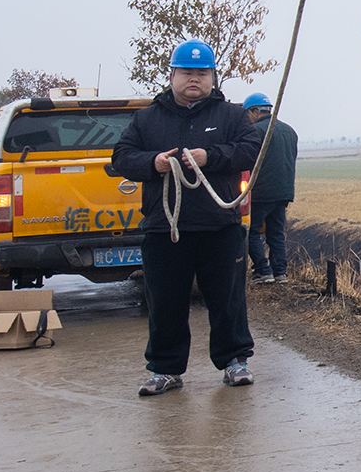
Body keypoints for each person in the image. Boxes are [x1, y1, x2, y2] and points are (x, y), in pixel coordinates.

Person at [111, 40, 267, 396]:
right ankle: (165, 369)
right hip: (165, 228)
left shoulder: (230, 115)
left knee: (228, 300)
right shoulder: (148, 118)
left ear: (213, 76)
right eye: (186, 73)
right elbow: (121, 157)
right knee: (165, 301)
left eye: (202, 73)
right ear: (172, 75)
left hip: (220, 225)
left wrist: (209, 156)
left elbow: (252, 150)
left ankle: (234, 362)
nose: (194, 79)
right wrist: (154, 163)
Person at [241, 92, 298, 284]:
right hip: (284, 192)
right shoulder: (289, 131)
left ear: (255, 111)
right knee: (276, 233)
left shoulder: (255, 132)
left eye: (247, 114)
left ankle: (263, 271)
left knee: (250, 232)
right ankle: (280, 273)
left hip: (260, 192)